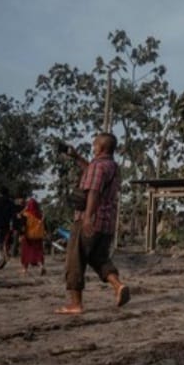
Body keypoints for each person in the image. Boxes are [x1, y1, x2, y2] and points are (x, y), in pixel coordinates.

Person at [55, 133, 130, 314]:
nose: (93, 147)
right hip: (106, 223)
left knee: (75, 259)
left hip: (89, 221)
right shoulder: (112, 166)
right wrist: (77, 157)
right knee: (99, 258)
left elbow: (94, 191)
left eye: (95, 145)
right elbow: (93, 173)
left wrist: (87, 217)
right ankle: (118, 285)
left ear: (102, 147)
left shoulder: (98, 166)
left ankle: (76, 304)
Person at [19, 197, 46, 275]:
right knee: (38, 252)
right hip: (38, 236)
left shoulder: (26, 214)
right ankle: (41, 266)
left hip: (28, 237)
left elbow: (20, 221)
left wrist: (24, 208)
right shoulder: (40, 215)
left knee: (26, 253)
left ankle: (24, 269)